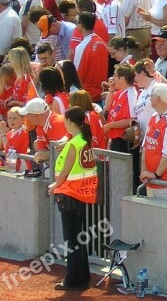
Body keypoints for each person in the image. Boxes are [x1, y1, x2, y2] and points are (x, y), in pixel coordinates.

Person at [47, 106, 97, 292]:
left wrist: (54, 185)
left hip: (70, 194)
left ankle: (74, 280)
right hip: (82, 194)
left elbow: (65, 171)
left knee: (72, 240)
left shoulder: (74, 144)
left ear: (69, 122)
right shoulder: (83, 140)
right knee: (78, 237)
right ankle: (82, 277)